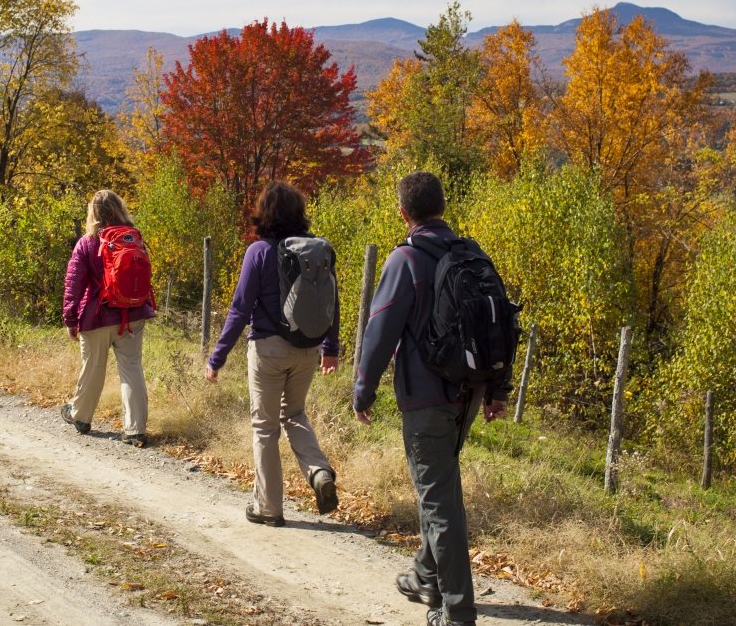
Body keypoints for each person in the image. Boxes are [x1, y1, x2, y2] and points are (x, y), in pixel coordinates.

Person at [353, 171, 510, 626]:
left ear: (404, 213)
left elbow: (380, 329)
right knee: (438, 486)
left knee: (439, 500)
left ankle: (457, 611)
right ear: (443, 207)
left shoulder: (405, 260)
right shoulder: (472, 254)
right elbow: (498, 325)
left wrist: (363, 390)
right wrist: (496, 390)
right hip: (469, 390)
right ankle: (426, 576)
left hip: (426, 397)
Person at [206, 180, 340, 526]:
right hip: (308, 350)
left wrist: (217, 358)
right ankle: (319, 471)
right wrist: (331, 349)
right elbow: (332, 302)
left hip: (268, 349)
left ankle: (268, 508)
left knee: (265, 428)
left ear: (263, 213)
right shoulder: (316, 252)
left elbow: (239, 309)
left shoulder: (259, 251)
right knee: (295, 414)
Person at [61, 189, 155, 447]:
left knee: (93, 368)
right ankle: (135, 429)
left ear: (93, 213)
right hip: (132, 314)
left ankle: (80, 417)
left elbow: (74, 284)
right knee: (132, 368)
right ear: (120, 208)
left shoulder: (87, 242)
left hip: (98, 317)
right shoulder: (133, 237)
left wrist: (70, 319)